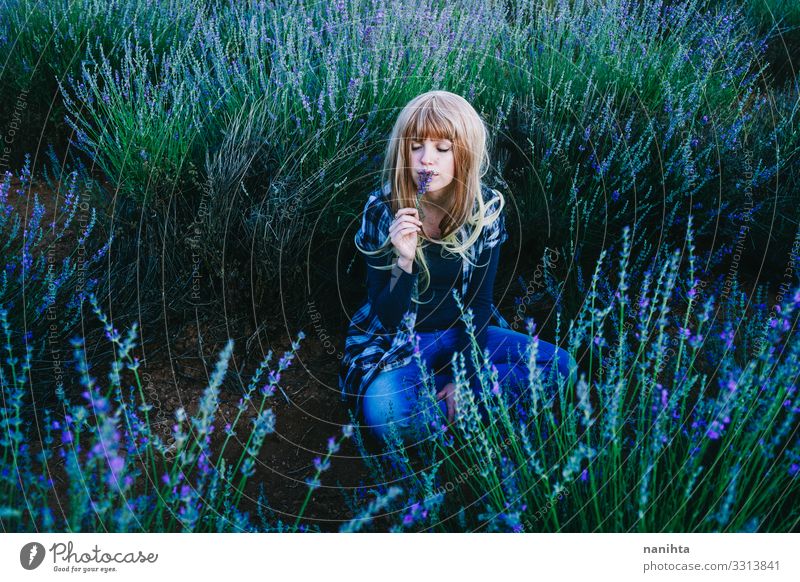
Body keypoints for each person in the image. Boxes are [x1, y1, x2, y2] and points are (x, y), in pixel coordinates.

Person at [339, 90, 576, 445]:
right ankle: (462, 410)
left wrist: (464, 378)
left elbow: (479, 305)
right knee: (385, 415)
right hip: (398, 343)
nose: (425, 161)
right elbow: (388, 316)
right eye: (415, 146)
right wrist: (402, 260)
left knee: (561, 368)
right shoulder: (382, 208)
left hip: (463, 334)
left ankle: (448, 402)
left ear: (462, 155)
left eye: (441, 149)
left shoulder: (485, 210)